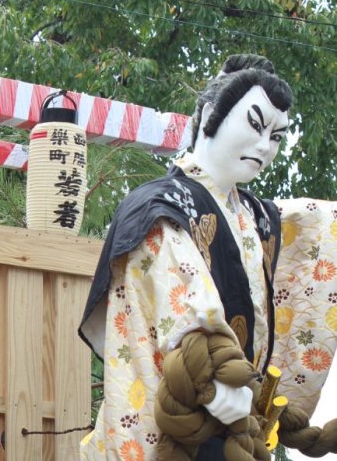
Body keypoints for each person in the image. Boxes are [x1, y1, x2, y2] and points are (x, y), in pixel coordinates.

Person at [79, 54, 337, 460]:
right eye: (255, 125)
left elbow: (313, 231)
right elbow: (181, 295)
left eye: (276, 136)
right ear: (211, 114)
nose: (264, 146)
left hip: (237, 415)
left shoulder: (253, 214)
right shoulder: (160, 206)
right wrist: (214, 381)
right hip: (184, 410)